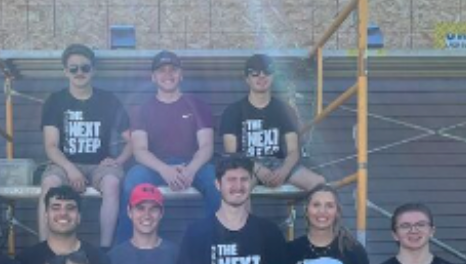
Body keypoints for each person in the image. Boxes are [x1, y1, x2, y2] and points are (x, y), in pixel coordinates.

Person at [176, 155, 289, 264]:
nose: (238, 186)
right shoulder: (196, 233)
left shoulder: (269, 232)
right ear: (218, 184)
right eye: (231, 180)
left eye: (244, 179)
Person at [117, 50, 219, 242]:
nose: (168, 75)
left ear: (181, 75)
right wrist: (165, 170)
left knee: (217, 182)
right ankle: (125, 247)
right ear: (153, 77)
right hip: (155, 167)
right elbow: (139, 151)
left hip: (193, 165)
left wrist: (190, 170)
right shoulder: (142, 109)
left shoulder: (197, 105)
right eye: (162, 71)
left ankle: (218, 244)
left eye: (173, 70)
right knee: (132, 181)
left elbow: (206, 146)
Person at [39, 44, 130, 248]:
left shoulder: (108, 100)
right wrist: (71, 169)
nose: (79, 72)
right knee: (50, 183)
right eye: (74, 68)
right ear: (66, 72)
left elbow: (132, 139)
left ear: (93, 70)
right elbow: (51, 146)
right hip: (65, 163)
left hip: (100, 164)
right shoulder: (55, 101)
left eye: (85, 68)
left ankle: (106, 248)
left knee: (112, 183)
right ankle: (45, 248)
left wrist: (118, 160)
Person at [219, 54, 324, 192]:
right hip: (245, 163)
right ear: (247, 79)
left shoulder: (285, 110)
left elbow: (293, 151)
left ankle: (312, 213)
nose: (261, 76)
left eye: (267, 71)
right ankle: (245, 214)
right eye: (255, 73)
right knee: (239, 189)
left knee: (320, 184)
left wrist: (284, 171)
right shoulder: (232, 111)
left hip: (279, 164)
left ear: (273, 76)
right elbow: (232, 152)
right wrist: (257, 168)